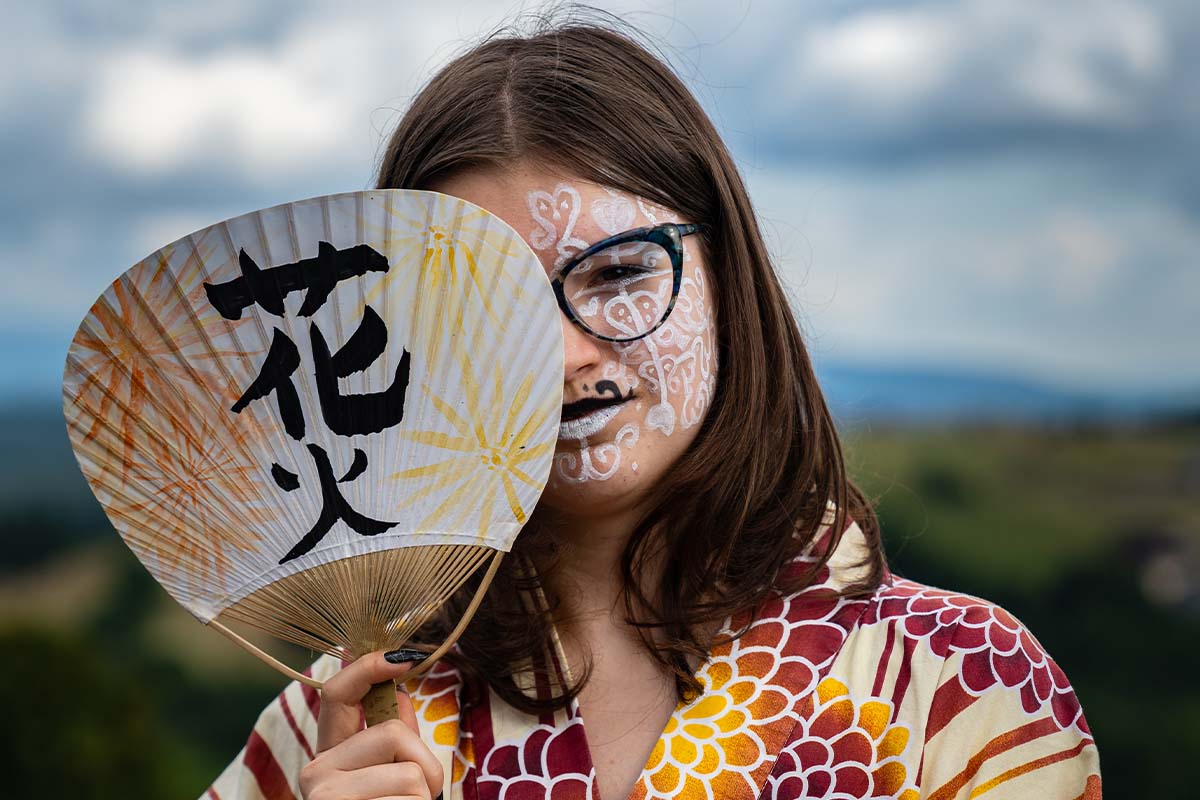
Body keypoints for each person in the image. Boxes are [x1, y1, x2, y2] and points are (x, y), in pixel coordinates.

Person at [203, 18, 1101, 800]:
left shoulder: (966, 686)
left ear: (727, 277)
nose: (562, 355)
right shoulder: (347, 715)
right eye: (482, 309)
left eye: (620, 273)